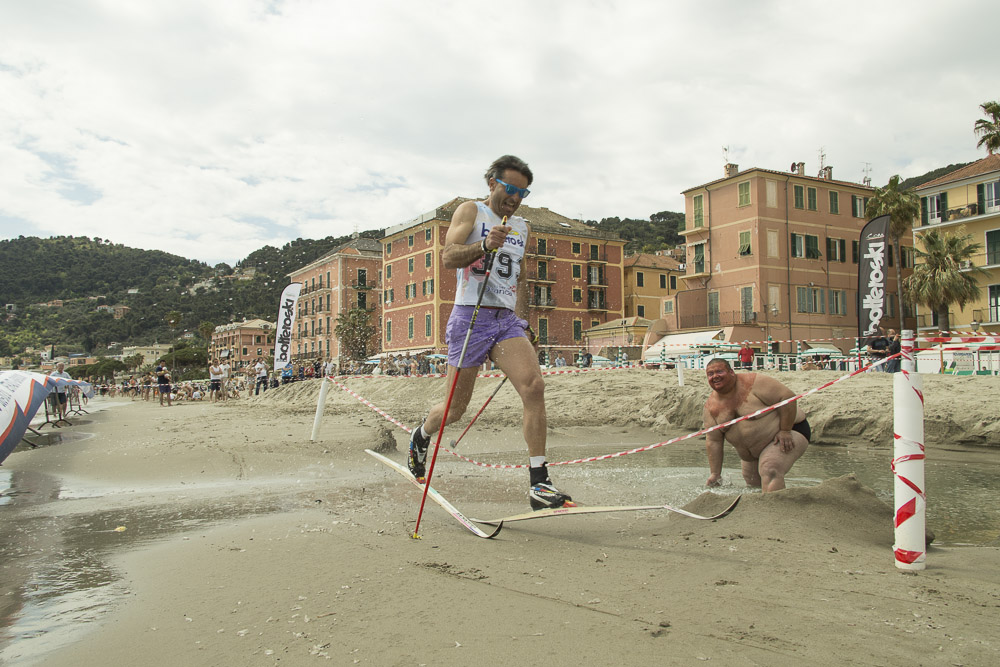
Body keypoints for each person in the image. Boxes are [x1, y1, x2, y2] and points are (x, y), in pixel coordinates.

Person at [407, 155, 573, 510]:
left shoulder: (523, 227)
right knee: (454, 409)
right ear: (492, 183)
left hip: (505, 320)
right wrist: (484, 245)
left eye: (522, 193)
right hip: (470, 316)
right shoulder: (471, 212)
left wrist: (524, 321)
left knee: (534, 387)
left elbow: (521, 276)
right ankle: (421, 436)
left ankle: (539, 483)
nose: (515, 198)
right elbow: (449, 257)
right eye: (510, 189)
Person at [702, 359, 809, 493]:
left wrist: (785, 430)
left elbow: (787, 398)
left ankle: (776, 511)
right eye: (710, 374)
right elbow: (713, 440)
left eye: (719, 371)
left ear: (731, 372)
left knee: (770, 468)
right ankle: (759, 511)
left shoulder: (754, 383)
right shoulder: (710, 407)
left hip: (789, 431)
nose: (715, 376)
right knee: (752, 484)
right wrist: (715, 474)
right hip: (751, 453)